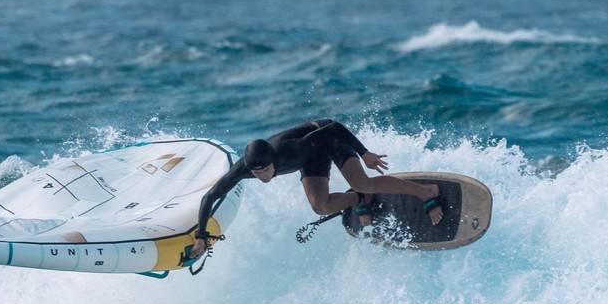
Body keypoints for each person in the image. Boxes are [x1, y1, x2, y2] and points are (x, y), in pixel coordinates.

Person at [190, 119, 443, 259]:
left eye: (265, 170)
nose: (262, 176)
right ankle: (360, 200)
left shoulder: (289, 149)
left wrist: (364, 153)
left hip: (330, 141)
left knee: (362, 181)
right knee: (321, 207)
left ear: (272, 161)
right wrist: (201, 236)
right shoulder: (244, 169)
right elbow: (210, 197)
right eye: (257, 173)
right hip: (310, 159)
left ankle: (425, 192)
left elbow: (333, 128)